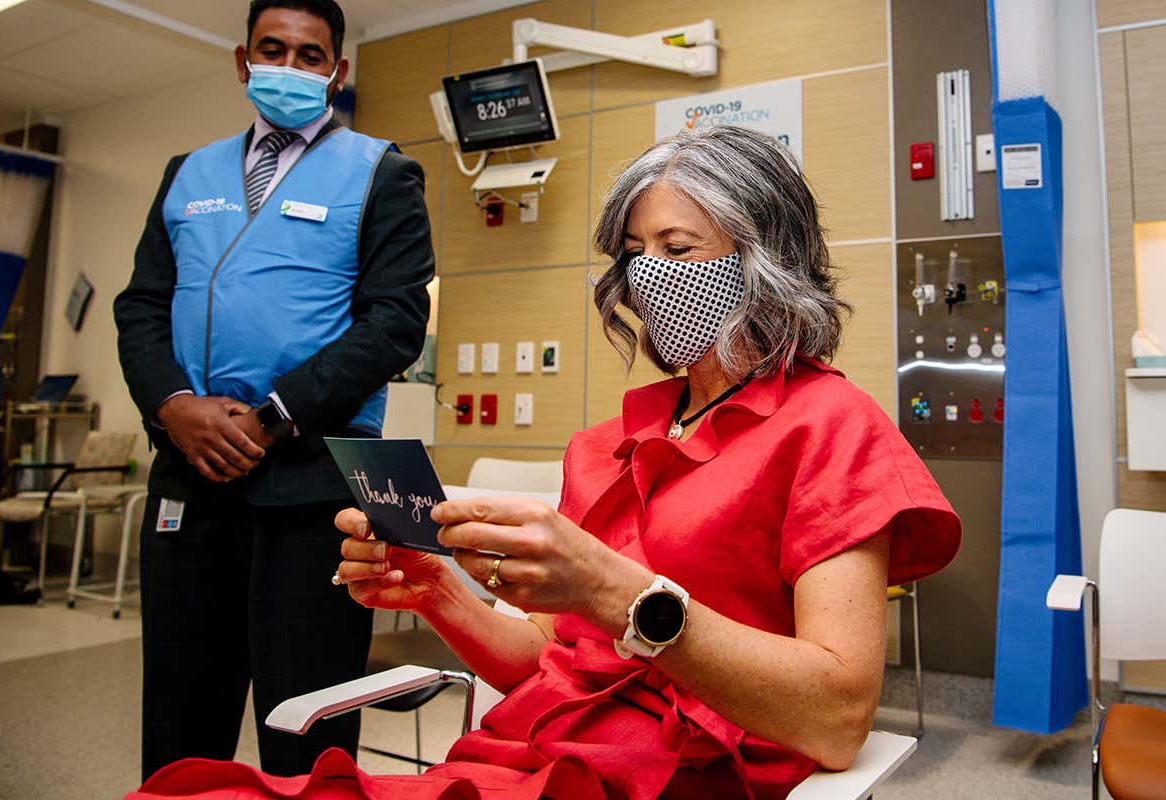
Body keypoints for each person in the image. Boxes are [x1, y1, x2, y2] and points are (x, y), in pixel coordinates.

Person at [128, 126, 959, 800]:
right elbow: (550, 664)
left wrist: (614, 591)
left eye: (677, 246)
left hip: (674, 773)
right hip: (529, 755)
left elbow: (836, 717)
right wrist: (436, 590)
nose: (648, 275)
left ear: (764, 256)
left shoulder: (826, 426)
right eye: (635, 251)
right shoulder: (607, 446)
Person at [113, 0, 434, 781]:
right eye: (273, 49)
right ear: (243, 61)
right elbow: (142, 306)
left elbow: (395, 322)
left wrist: (275, 415)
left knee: (307, 725)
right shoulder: (187, 174)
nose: (289, 67)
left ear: (336, 71)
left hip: (312, 485)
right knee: (181, 720)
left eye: (309, 55)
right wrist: (172, 407)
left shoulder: (380, 171)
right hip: (190, 474)